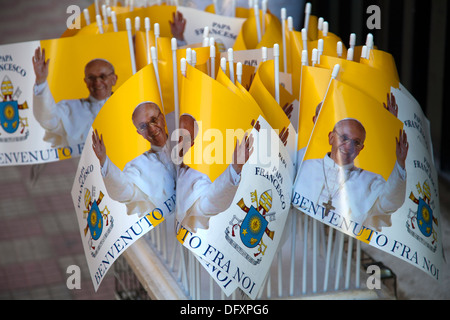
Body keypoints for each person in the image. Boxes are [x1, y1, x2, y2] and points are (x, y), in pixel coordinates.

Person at [293, 118, 408, 231]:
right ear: (331, 138)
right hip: (296, 237)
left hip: (340, 246)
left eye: (356, 142)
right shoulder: (304, 164)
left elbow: (389, 203)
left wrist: (400, 165)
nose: (348, 146)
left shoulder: (370, 181)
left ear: (361, 149)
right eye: (344, 138)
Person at [92, 102, 176, 217]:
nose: (151, 129)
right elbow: (125, 190)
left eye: (154, 120)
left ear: (162, 118)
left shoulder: (187, 139)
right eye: (143, 126)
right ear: (139, 132)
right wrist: (104, 162)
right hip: (167, 226)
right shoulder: (138, 165)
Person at [174, 113, 253, 232]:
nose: (179, 141)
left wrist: (235, 168)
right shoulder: (141, 164)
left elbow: (209, 202)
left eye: (186, 138)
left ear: (191, 144)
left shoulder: (195, 179)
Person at [32, 47, 118, 148]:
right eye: (91, 78)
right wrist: (41, 81)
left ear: (114, 79)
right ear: (85, 81)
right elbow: (47, 118)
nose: (97, 82)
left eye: (103, 76)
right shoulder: (69, 109)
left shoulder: (128, 106)